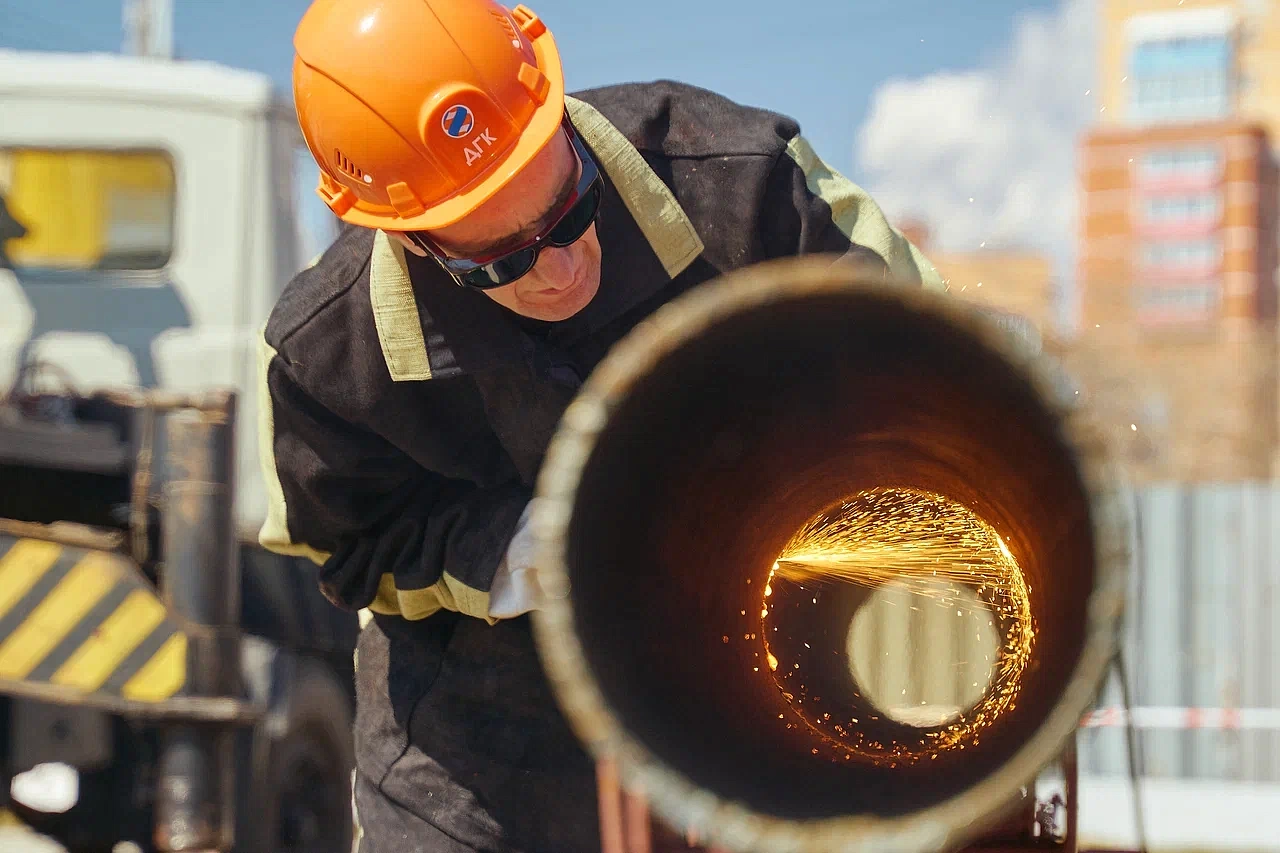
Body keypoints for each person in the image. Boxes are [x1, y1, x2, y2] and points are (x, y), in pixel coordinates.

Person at [258, 0, 944, 849]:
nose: (561, 266)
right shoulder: (330, 359)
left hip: (759, 703)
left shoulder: (744, 180)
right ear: (411, 237)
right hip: (479, 759)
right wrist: (522, 550)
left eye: (568, 204)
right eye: (501, 258)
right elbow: (350, 546)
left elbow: (934, 366)